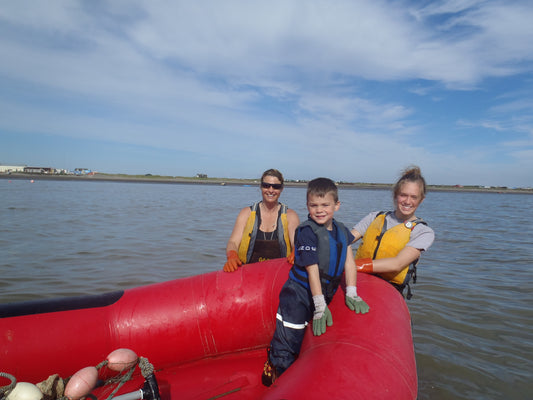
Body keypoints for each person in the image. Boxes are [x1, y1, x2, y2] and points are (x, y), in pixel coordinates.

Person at [262, 177, 369, 386]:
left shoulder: (342, 231)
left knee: (307, 336)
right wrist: (320, 305)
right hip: (298, 294)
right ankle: (277, 366)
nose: (319, 210)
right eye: (314, 205)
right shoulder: (307, 233)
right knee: (290, 334)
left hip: (325, 290)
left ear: (336, 206)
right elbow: (312, 271)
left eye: (325, 205)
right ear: (307, 206)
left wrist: (352, 292)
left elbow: (349, 261)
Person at [351, 166, 435, 299]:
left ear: (421, 199)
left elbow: (397, 264)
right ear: (395, 195)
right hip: (355, 280)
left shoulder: (423, 232)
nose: (407, 201)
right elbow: (345, 239)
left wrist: (351, 265)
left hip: (389, 289)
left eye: (414, 197)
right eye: (403, 195)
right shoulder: (374, 217)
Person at [223, 169, 300, 272]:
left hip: (278, 275)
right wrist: (232, 255)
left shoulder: (290, 216)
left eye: (276, 187)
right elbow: (233, 242)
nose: (271, 190)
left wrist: (297, 250)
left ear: (282, 189)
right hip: (249, 273)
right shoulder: (246, 213)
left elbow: (296, 242)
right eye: (266, 185)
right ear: (261, 186)